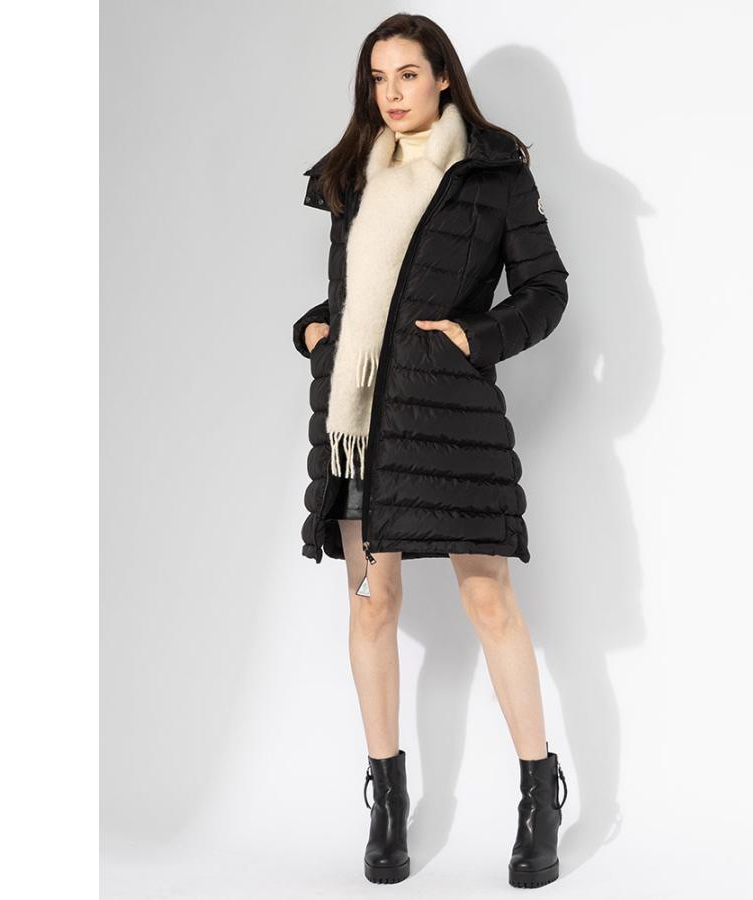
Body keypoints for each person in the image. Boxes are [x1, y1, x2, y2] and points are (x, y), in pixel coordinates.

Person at [293, 13, 569, 888]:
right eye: (378, 78)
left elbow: (546, 290)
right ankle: (387, 800)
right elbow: (358, 297)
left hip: (452, 420)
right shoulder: (353, 176)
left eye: (407, 74)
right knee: (371, 605)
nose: (392, 93)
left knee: (489, 602)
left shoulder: (493, 174)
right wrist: (313, 330)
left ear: (443, 75)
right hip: (359, 425)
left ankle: (539, 796)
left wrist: (474, 339)